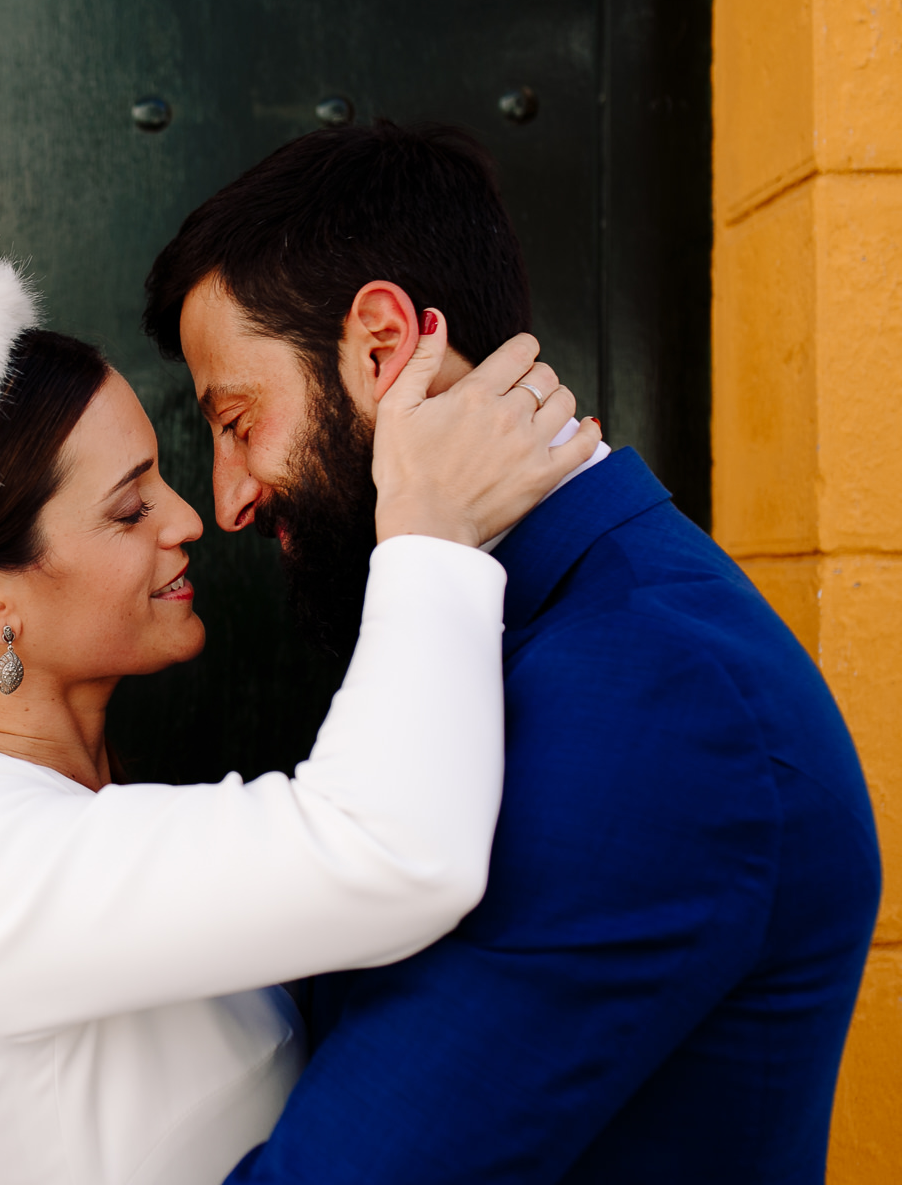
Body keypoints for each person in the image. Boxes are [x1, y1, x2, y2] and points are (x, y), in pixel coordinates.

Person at [0, 244, 599, 1185]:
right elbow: (389, 852)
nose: (189, 518)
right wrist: (428, 525)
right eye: (128, 509)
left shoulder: (65, 807)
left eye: (160, 478)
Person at [140, 121, 882, 1184]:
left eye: (238, 419)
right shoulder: (504, 626)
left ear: (383, 346)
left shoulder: (659, 701)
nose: (229, 497)